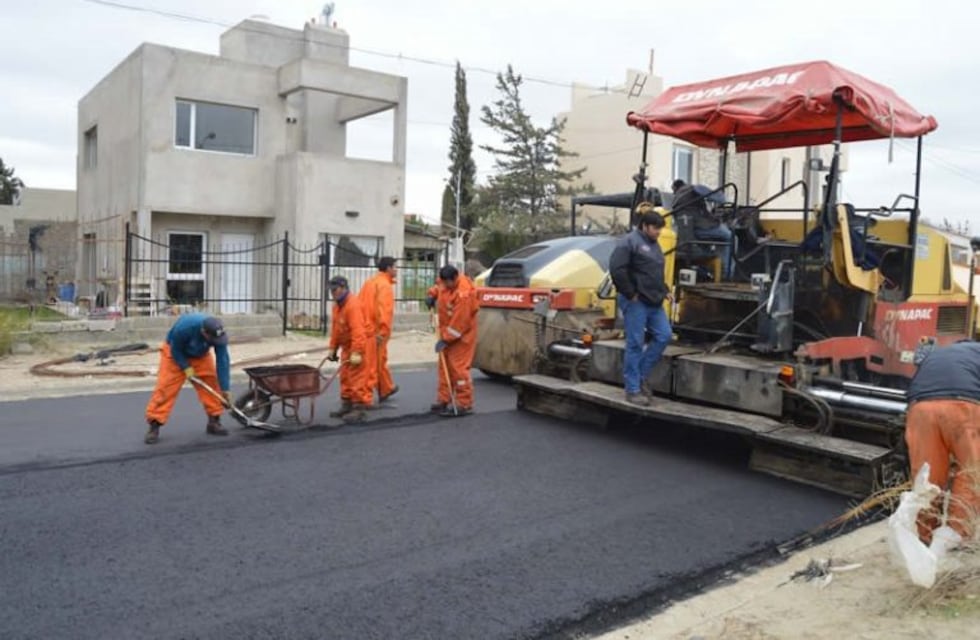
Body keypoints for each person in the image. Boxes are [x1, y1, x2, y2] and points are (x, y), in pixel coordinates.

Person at [904, 340, 980, 546]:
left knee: (927, 476)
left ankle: (924, 535)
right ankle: (956, 537)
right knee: (970, 474)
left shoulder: (937, 352)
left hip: (920, 409)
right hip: (963, 407)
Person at [608, 205, 673, 406]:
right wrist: (630, 293)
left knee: (664, 335)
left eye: (660, 229)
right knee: (635, 344)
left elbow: (653, 271)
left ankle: (640, 375)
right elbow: (617, 270)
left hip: (653, 300)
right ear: (645, 226)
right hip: (636, 301)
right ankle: (633, 389)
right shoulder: (628, 243)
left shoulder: (654, 244)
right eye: (656, 229)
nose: (659, 232)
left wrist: (664, 290)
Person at [144, 313, 231, 444]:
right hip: (174, 355)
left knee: (212, 385)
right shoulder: (185, 328)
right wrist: (186, 367)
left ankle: (214, 421)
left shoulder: (218, 336)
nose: (215, 343)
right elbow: (176, 350)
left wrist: (225, 389)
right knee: (165, 388)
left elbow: (222, 360)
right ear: (204, 332)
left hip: (200, 355)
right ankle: (154, 425)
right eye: (212, 340)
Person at [432, 264, 478, 417]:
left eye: (447, 283)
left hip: (462, 336)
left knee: (458, 369)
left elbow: (460, 324)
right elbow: (438, 287)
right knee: (444, 367)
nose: (444, 285)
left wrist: (445, 339)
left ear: (455, 278)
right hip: (447, 331)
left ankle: (464, 403)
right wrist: (431, 294)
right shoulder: (446, 282)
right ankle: (444, 399)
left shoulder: (464, 295)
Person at [326, 275, 373, 423]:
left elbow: (358, 331)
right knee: (345, 376)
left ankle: (359, 408)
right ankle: (347, 404)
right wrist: (332, 348)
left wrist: (357, 352)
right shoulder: (337, 307)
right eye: (331, 291)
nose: (333, 293)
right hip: (347, 346)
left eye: (336, 290)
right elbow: (336, 330)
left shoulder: (353, 305)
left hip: (358, 345)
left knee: (356, 376)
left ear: (344, 288)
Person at [671, 179, 734, 279]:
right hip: (702, 227)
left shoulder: (675, 201)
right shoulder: (692, 188)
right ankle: (728, 274)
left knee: (713, 242)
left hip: (688, 233)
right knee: (730, 237)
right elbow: (719, 199)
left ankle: (717, 271)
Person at [359, 257, 399, 403]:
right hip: (376, 331)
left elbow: (360, 305)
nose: (396, 270)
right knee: (374, 364)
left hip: (365, 328)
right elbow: (385, 312)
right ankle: (365, 399)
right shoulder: (384, 286)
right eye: (395, 267)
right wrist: (382, 333)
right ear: (388, 268)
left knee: (377, 361)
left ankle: (386, 388)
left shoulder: (369, 283)